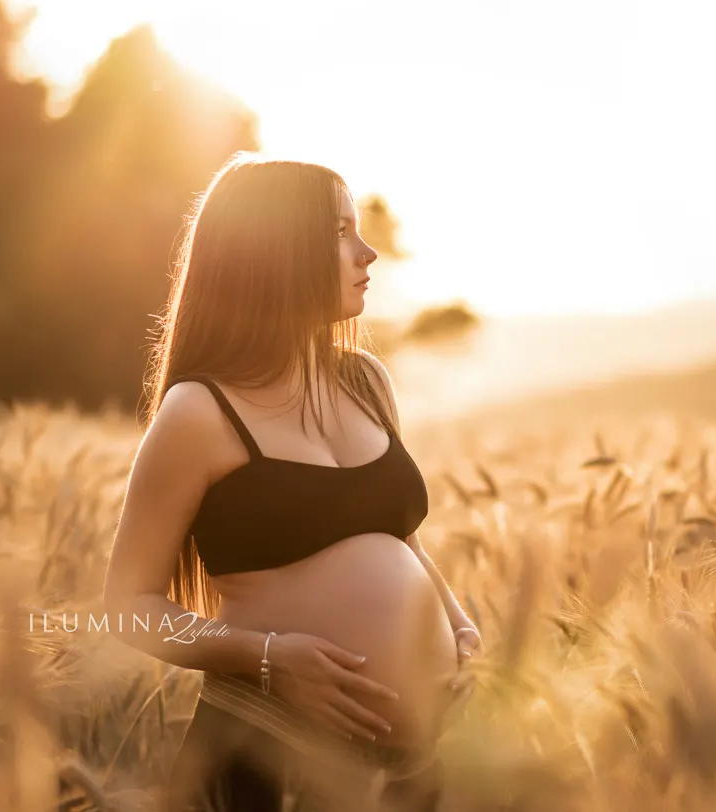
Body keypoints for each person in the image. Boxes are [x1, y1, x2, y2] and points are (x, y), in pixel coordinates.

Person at [101, 152, 482, 811]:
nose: (368, 253)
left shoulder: (364, 381)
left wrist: (456, 626)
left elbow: (400, 540)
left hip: (408, 770)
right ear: (274, 252)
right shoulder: (199, 412)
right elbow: (128, 605)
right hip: (268, 753)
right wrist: (268, 657)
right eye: (340, 233)